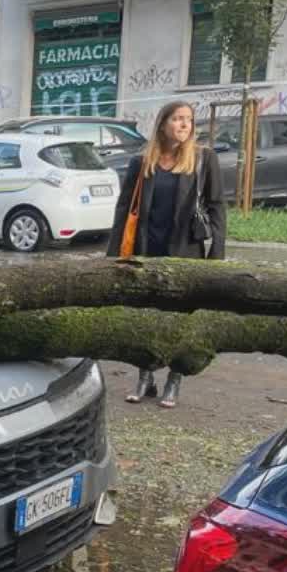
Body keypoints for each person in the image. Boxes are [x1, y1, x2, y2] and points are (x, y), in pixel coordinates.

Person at [107, 100, 226, 408]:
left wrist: (217, 254)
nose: (184, 125)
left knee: (179, 319)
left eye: (188, 119)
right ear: (163, 125)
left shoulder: (203, 159)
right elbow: (124, 208)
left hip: (186, 250)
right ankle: (145, 378)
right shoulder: (142, 162)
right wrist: (114, 253)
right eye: (177, 119)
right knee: (146, 317)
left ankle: (174, 380)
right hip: (147, 249)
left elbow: (216, 206)